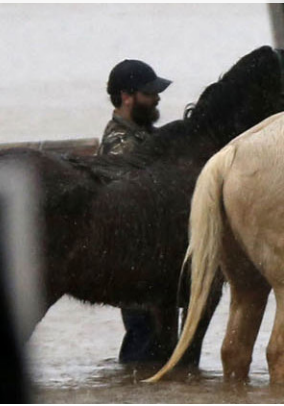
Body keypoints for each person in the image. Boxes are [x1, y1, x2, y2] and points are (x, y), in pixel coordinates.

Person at [100, 59, 172, 364]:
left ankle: (132, 391)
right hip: (132, 263)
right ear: (126, 96)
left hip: (152, 260)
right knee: (145, 339)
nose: (157, 98)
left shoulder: (145, 135)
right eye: (148, 93)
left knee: (159, 340)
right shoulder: (120, 144)